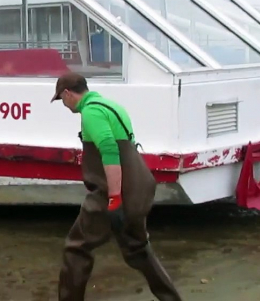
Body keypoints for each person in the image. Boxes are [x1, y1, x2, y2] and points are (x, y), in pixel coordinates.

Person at [50, 72, 182, 301]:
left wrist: (114, 199)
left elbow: (110, 151)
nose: (63, 104)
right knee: (138, 248)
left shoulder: (91, 112)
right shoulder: (111, 106)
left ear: (67, 93)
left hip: (113, 192)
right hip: (140, 188)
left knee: (76, 248)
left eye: (61, 99)